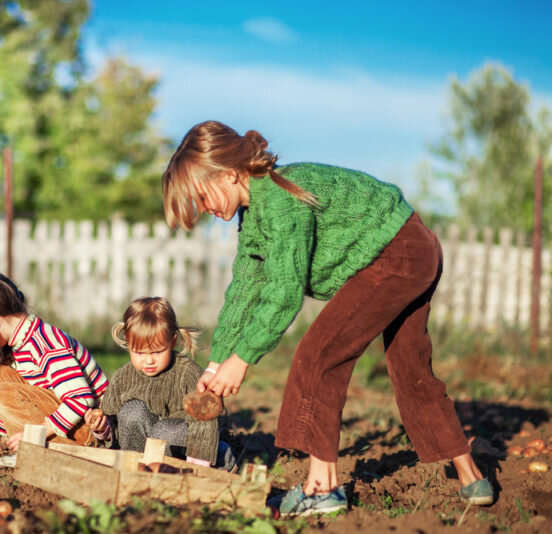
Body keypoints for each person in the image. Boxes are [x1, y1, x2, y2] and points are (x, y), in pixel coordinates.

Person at [161, 120, 493, 516]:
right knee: (409, 368)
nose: (206, 210)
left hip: (398, 251)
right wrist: (219, 360)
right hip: (412, 246)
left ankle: (322, 486)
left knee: (319, 354)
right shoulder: (255, 215)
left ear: (230, 174)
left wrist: (242, 359)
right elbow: (247, 288)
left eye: (203, 196)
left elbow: (283, 293)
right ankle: (471, 475)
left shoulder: (281, 199)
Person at [0, 270, 108, 463]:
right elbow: (22, 405)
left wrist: (37, 434)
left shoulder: (44, 344)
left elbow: (80, 399)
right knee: (0, 376)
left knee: (2, 393)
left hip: (91, 431)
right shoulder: (22, 344)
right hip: (68, 422)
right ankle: (36, 449)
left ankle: (56, 453)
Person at [86, 297, 234, 469]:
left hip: (183, 441)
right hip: (146, 442)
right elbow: (115, 426)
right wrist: (102, 428)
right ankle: (135, 468)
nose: (149, 361)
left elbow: (204, 422)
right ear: (128, 343)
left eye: (157, 352)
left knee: (165, 431)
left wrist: (198, 467)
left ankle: (222, 458)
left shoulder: (188, 373)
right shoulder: (122, 378)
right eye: (140, 353)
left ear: (172, 341)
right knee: (131, 413)